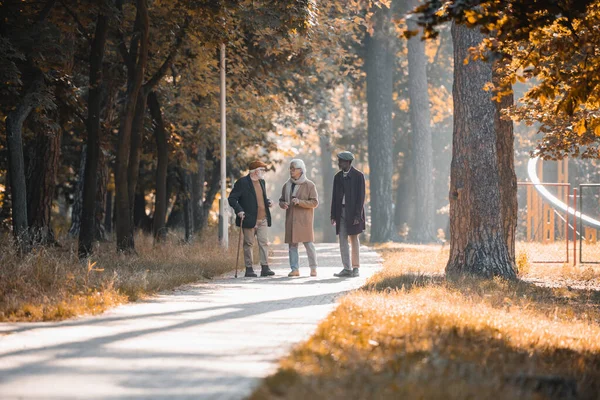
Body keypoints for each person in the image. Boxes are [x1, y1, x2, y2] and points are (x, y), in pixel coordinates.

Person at [228, 160, 275, 278]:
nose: (263, 172)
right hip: (249, 218)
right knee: (248, 243)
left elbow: (260, 198)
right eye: (261, 170)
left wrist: (267, 201)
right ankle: (249, 269)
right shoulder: (242, 183)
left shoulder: (262, 182)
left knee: (264, 242)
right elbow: (232, 199)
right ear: (255, 171)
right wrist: (239, 210)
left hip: (263, 217)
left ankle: (265, 268)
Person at [279, 159, 319, 277]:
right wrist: (283, 204)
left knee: (309, 245)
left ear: (301, 170)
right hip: (291, 220)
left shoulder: (309, 185)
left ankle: (313, 268)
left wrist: (300, 202)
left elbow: (314, 202)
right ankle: (294, 269)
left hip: (304, 220)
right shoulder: (286, 185)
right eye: (290, 168)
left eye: (293, 169)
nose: (291, 171)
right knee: (292, 245)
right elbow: (281, 200)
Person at [330, 151, 366, 277]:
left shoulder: (358, 176)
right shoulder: (337, 177)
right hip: (340, 212)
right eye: (339, 161)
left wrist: (358, 216)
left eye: (341, 161)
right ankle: (347, 268)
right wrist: (333, 215)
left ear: (348, 162)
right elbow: (334, 197)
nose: (339, 163)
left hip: (354, 213)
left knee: (354, 239)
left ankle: (355, 267)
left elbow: (361, 198)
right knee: (342, 239)